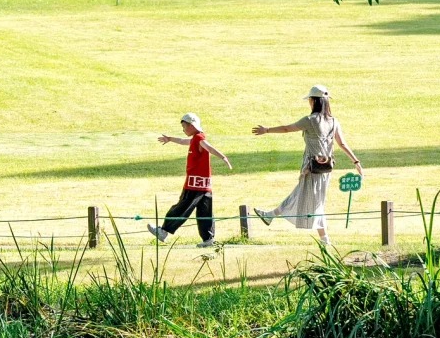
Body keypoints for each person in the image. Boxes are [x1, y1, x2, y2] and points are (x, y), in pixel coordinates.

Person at [251, 85, 362, 246]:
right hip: (326, 169)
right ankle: (272, 216)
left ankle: (323, 239)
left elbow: (287, 128)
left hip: (311, 167)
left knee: (313, 201)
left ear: (314, 101)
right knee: (312, 198)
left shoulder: (310, 120)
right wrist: (356, 161)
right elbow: (342, 143)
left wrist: (267, 130)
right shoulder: (333, 121)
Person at [149, 113, 231, 247]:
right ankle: (208, 239)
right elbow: (182, 141)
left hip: (194, 184)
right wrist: (170, 139)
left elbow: (209, 147)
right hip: (204, 185)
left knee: (181, 207)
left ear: (192, 126)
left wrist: (223, 157)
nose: (183, 130)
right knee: (205, 211)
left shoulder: (199, 138)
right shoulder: (195, 139)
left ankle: (164, 231)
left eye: (184, 127)